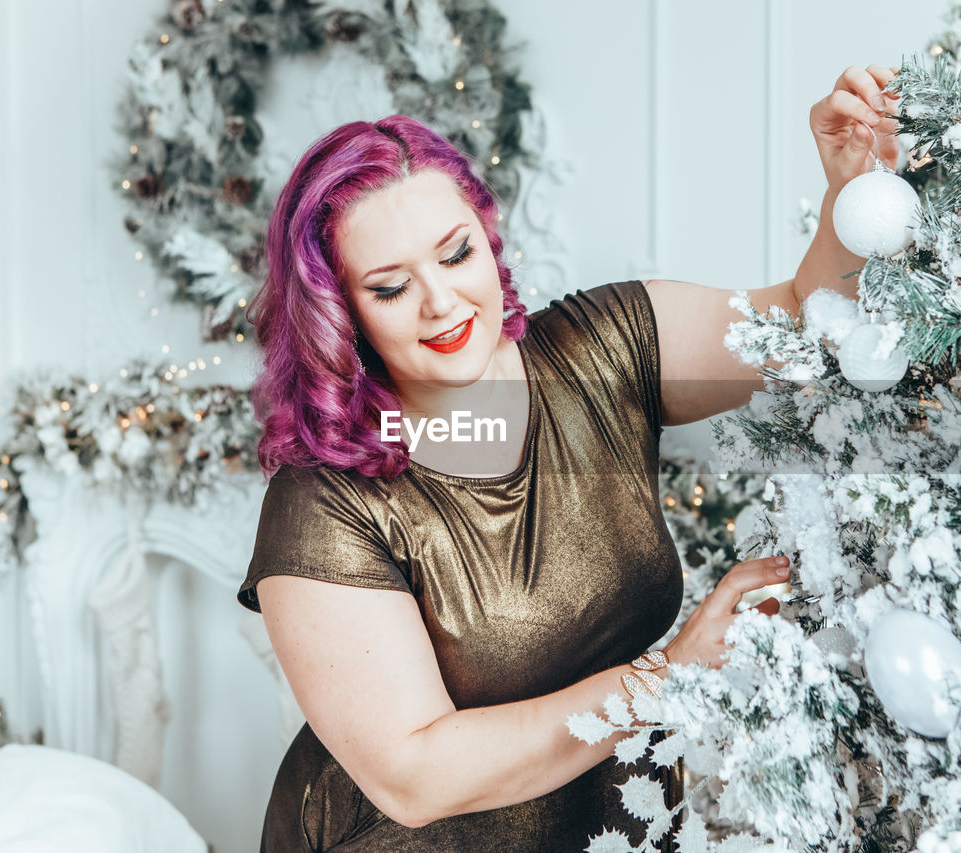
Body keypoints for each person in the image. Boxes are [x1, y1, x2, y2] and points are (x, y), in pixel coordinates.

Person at [236, 63, 902, 852]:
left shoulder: (606, 343)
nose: (441, 301)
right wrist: (669, 676)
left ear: (487, 237)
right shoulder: (322, 501)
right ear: (339, 315)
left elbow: (798, 323)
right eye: (389, 288)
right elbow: (413, 775)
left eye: (455, 254)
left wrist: (851, 195)